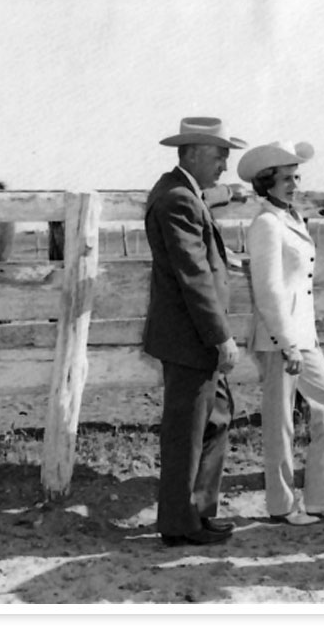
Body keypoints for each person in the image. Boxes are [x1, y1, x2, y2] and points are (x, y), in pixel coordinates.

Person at [238, 141, 324, 526]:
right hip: (280, 338)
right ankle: (282, 507)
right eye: (286, 178)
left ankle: (320, 499)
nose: (294, 184)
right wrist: (287, 343)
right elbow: (269, 289)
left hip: (302, 335)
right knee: (281, 422)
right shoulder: (267, 224)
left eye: (296, 176)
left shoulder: (290, 218)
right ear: (266, 182)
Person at [142, 116, 246, 547]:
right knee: (187, 433)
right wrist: (220, 336)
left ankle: (198, 513)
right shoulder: (178, 199)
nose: (225, 162)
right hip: (192, 339)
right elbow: (194, 275)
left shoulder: (182, 192)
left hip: (191, 337)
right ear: (191, 153)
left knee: (216, 418)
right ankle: (180, 524)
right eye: (219, 153)